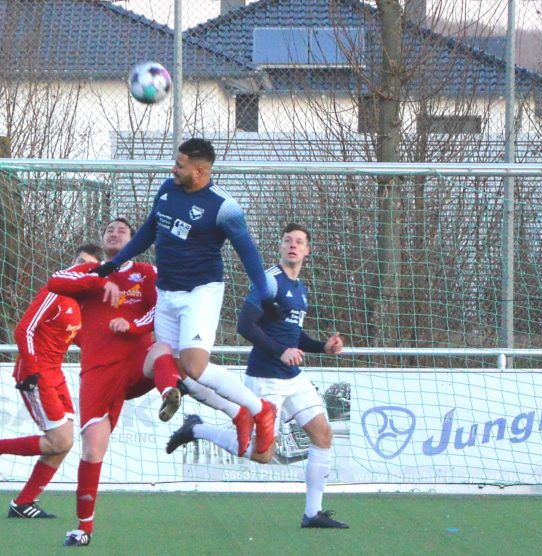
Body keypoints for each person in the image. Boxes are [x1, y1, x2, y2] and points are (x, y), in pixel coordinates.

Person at [89, 138, 277, 456]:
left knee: (195, 364)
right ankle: (238, 413)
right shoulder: (167, 188)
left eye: (180, 164)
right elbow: (150, 229)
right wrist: (112, 264)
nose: (173, 168)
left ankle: (261, 409)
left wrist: (265, 292)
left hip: (200, 292)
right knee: (181, 376)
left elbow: (249, 253)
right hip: (167, 292)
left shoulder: (223, 206)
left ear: (200, 170)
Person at [165, 224, 349, 529]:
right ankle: (197, 429)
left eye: (299, 242)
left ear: (307, 251)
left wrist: (322, 347)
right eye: (288, 240)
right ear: (280, 246)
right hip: (266, 378)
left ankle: (312, 513)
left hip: (293, 376)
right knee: (263, 455)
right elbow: (246, 326)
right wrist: (280, 352)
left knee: (323, 435)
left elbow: (293, 334)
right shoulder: (269, 282)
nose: (293, 245)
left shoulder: (300, 288)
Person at [46, 218, 180, 547]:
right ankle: (83, 528)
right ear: (101, 240)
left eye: (122, 231)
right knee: (93, 449)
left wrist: (133, 326)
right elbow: (54, 282)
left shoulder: (146, 273)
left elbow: (161, 310)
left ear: (134, 241)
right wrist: (96, 279)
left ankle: (170, 391)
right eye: (109, 230)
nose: (114, 233)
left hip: (136, 364)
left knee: (162, 348)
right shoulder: (92, 272)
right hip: (97, 373)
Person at [0, 245, 102, 520]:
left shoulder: (81, 303)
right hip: (36, 372)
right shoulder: (56, 291)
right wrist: (31, 371)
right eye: (78, 262)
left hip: (55, 373)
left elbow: (81, 339)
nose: (80, 268)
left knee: (63, 443)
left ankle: (23, 502)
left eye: (88, 266)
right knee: (59, 439)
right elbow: (24, 329)